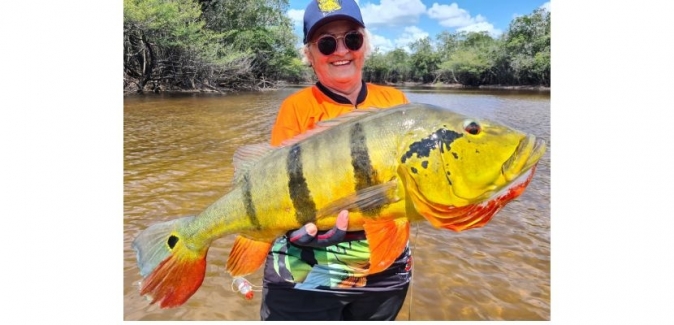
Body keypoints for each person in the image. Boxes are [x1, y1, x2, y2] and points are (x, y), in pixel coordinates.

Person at [260, 0, 412, 321]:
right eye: (327, 43)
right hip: (308, 262)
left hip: (385, 264)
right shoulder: (296, 108)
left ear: (365, 45)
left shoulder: (395, 101)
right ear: (310, 55)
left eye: (352, 39)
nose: (341, 51)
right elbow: (272, 187)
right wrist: (292, 231)